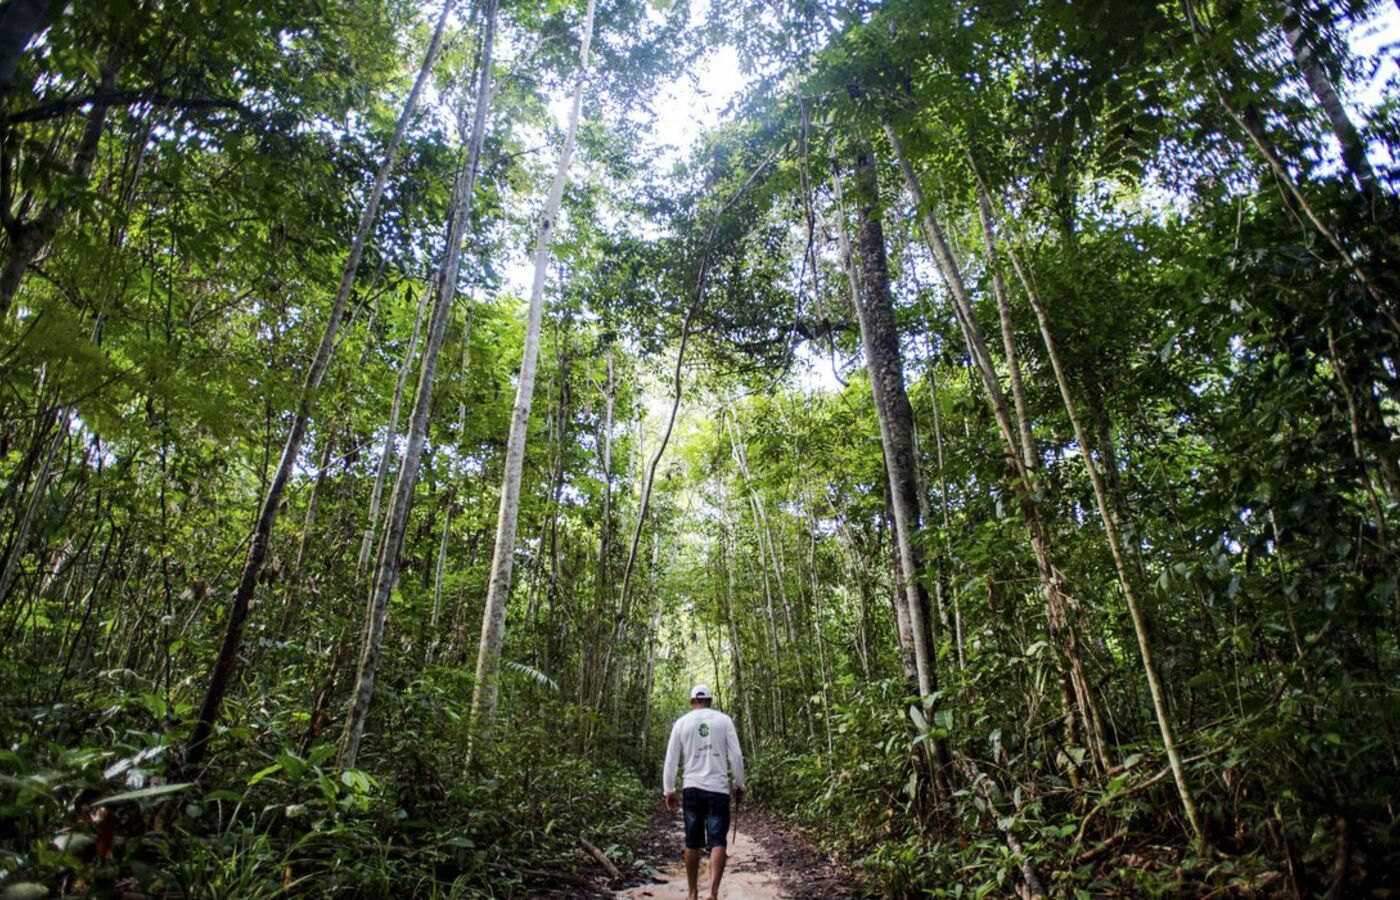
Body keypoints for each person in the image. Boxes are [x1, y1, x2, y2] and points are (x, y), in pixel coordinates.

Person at [662, 684, 746, 900]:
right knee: (718, 841)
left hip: (691, 788)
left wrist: (669, 790)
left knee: (692, 842)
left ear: (692, 702)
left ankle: (692, 894)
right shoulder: (724, 720)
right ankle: (713, 893)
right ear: (710, 701)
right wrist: (739, 784)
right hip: (718, 789)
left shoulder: (682, 723)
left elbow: (671, 760)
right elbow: (735, 756)